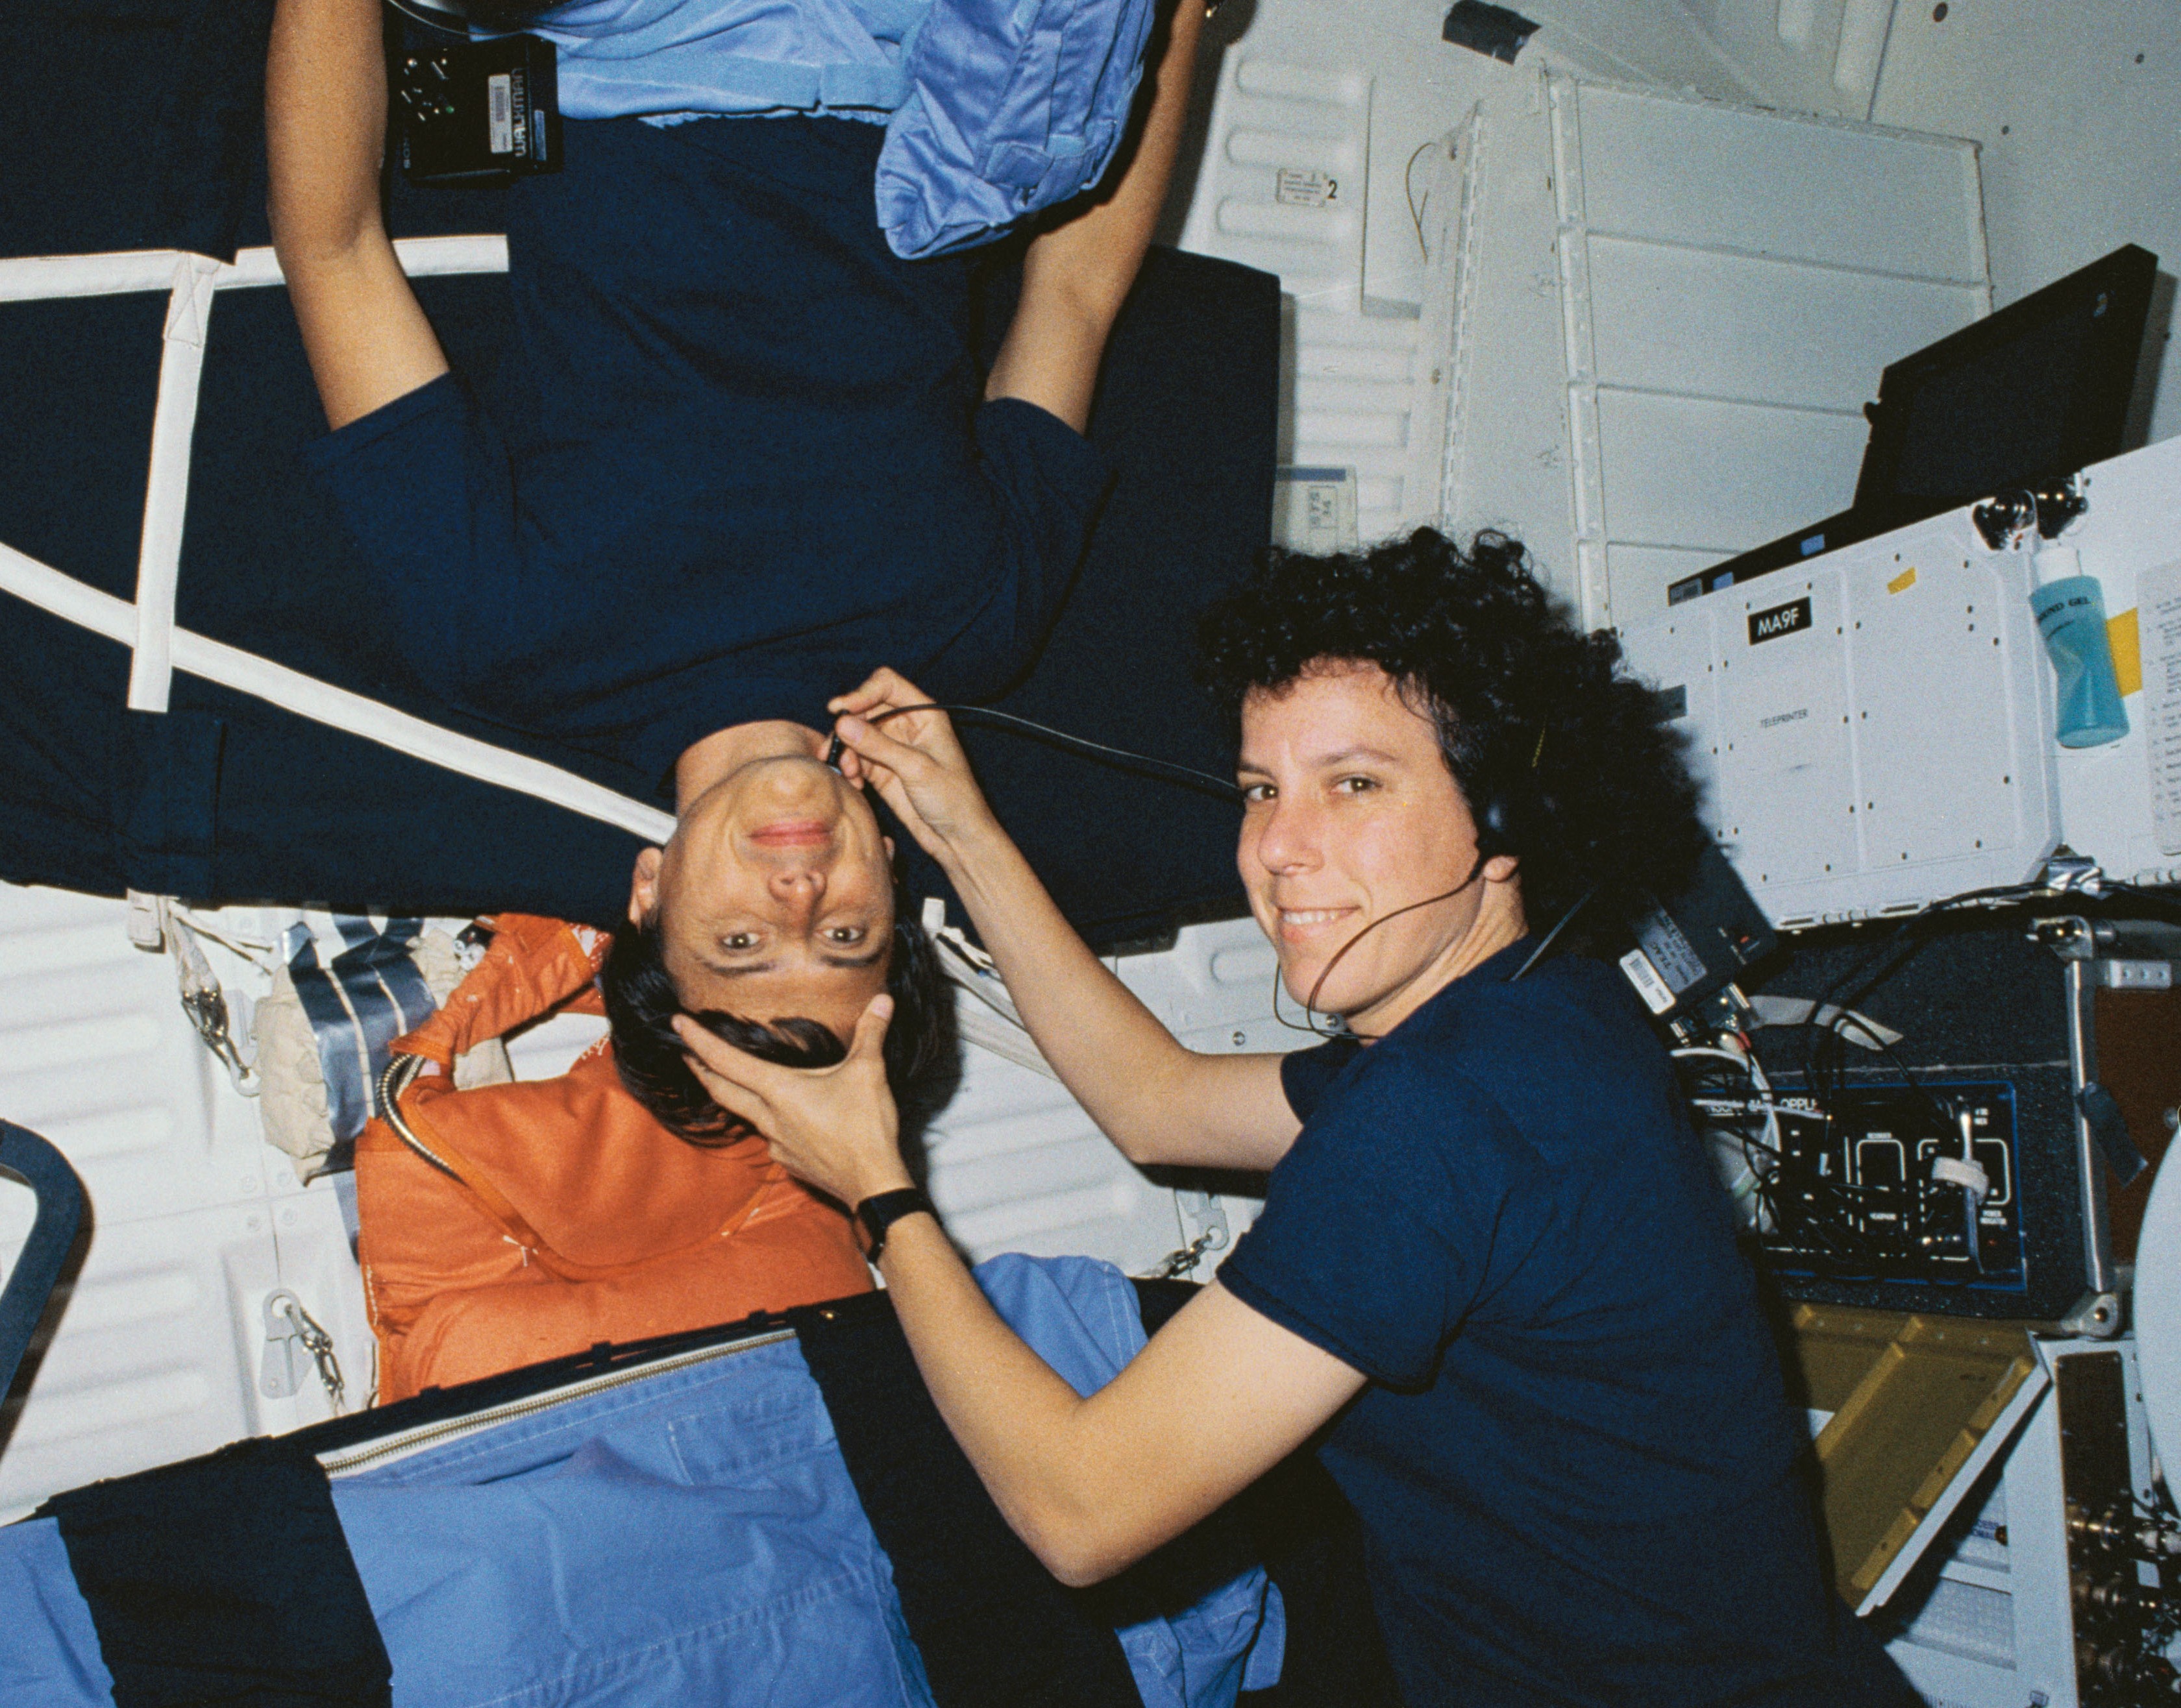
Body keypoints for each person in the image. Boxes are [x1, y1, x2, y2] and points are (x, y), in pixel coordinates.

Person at [673, 528, 1925, 1706]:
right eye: (1262, 789)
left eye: (1355, 785)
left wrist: (878, 1190)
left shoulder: (1441, 1115)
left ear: (1505, 818)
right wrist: (961, 826)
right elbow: (1158, 1105)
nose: (1279, 848)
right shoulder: (1532, 1016)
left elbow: (1080, 1514)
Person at [264, 0, 1200, 1113]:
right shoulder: (970, 630)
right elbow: (1077, 291)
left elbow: (334, 254)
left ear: (651, 894)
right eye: (846, 935)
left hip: (632, 48)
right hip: (931, 86)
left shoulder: (513, 641)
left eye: (746, 940)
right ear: (895, 880)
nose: (801, 892)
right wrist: (1179, 19)